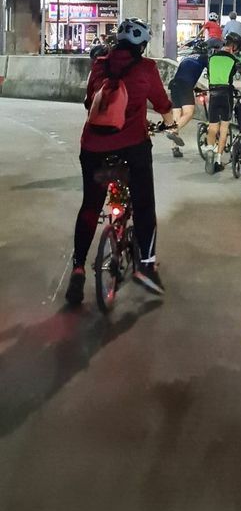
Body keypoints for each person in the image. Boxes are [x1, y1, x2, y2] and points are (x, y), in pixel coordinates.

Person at [65, 17, 176, 305]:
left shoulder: (99, 65)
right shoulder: (147, 68)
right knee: (144, 204)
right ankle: (146, 266)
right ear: (142, 45)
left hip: (93, 147)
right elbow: (163, 104)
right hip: (132, 148)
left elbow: (90, 102)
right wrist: (170, 124)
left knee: (90, 206)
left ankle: (78, 268)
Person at [205, 32, 241, 171]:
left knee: (213, 127)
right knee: (224, 128)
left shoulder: (211, 58)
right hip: (226, 95)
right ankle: (218, 161)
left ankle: (209, 149)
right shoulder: (234, 59)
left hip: (213, 94)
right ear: (234, 46)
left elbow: (210, 75)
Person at [168, 40, 211, 155]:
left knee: (177, 117)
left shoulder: (186, 58)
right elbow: (211, 74)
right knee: (189, 113)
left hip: (174, 84)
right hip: (185, 85)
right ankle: (173, 130)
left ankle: (175, 147)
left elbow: (186, 73)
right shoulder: (204, 57)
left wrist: (195, 87)